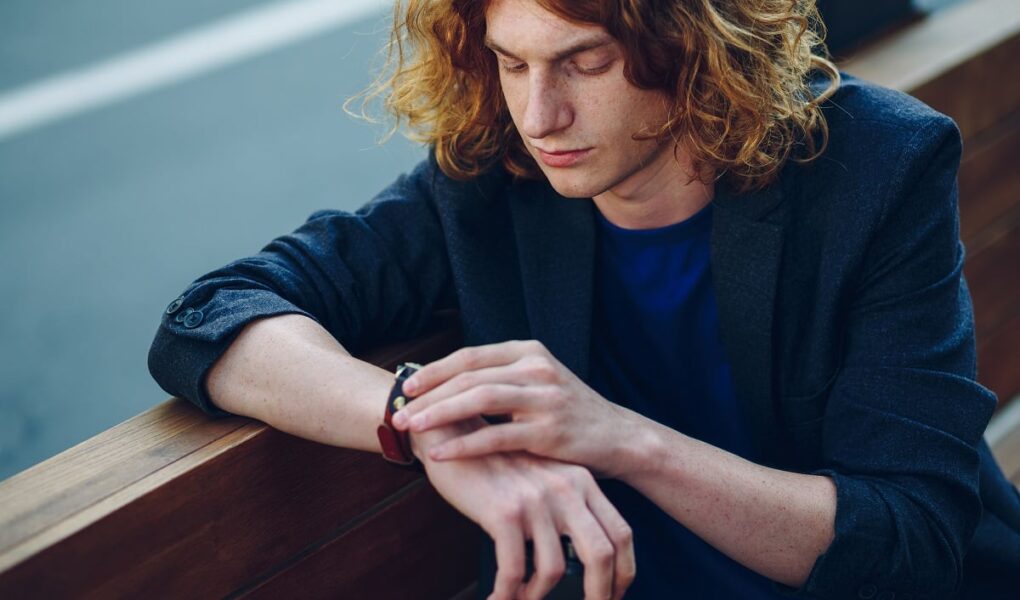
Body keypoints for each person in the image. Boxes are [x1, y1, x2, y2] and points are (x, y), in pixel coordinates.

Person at [148, 0, 1020, 598]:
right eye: (511, 62)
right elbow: (211, 316)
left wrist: (625, 439)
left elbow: (910, 539)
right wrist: (421, 424)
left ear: (693, 44)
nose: (540, 115)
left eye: (584, 62)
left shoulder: (876, 168)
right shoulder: (488, 180)